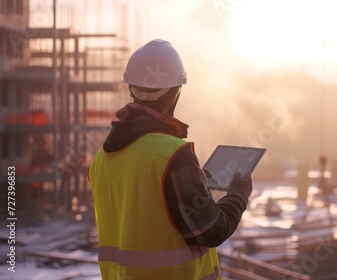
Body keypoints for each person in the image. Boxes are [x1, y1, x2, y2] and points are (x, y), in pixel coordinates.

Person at [88, 39, 253, 280]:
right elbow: (211, 231)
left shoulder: (101, 159)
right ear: (173, 95)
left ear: (131, 89)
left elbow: (144, 211)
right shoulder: (174, 156)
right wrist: (238, 195)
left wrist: (188, 185)